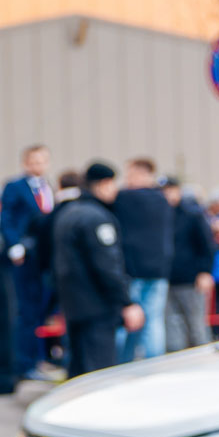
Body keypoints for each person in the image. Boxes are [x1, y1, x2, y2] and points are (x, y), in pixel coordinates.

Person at [52, 162, 145, 377]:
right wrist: (126, 302)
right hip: (97, 306)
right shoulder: (97, 218)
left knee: (78, 370)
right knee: (100, 373)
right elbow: (107, 266)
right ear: (103, 184)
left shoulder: (67, 213)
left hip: (73, 304)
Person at [0, 145, 55, 380]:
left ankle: (40, 358)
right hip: (25, 256)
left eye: (42, 161)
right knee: (27, 311)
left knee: (42, 310)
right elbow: (7, 219)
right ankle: (26, 363)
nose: (38, 165)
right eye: (34, 161)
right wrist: (14, 245)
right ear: (25, 163)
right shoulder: (15, 187)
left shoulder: (47, 187)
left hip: (44, 257)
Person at [112, 157, 172, 361]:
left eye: (129, 174)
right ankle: (154, 364)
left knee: (127, 321)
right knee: (153, 321)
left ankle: (121, 364)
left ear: (140, 173)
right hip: (159, 271)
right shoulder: (162, 200)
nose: (126, 179)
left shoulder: (125, 198)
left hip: (133, 271)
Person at [163, 177, 217, 351]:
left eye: (170, 189)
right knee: (172, 330)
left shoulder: (192, 214)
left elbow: (207, 244)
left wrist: (205, 271)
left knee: (196, 327)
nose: (167, 194)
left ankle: (204, 359)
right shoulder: (160, 215)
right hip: (167, 279)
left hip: (191, 279)